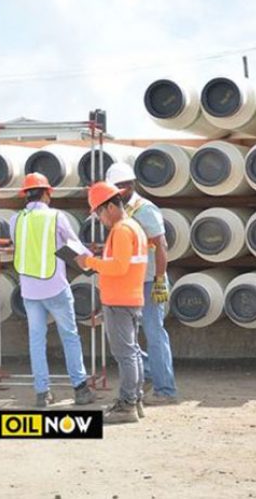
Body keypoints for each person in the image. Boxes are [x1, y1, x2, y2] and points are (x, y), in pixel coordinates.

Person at [10, 173, 96, 408]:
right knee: (69, 336)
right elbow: (74, 245)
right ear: (47, 193)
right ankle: (80, 389)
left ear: (25, 195)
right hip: (55, 286)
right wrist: (94, 261)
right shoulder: (56, 217)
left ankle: (42, 393)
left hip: (29, 290)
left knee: (36, 340)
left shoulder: (15, 220)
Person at [105, 163, 178, 405]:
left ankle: (165, 389)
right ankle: (147, 374)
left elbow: (161, 245)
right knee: (129, 338)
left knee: (154, 334)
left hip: (149, 282)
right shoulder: (120, 211)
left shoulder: (145, 210)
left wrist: (159, 279)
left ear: (124, 187)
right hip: (133, 282)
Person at [76, 182, 148, 424]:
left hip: (119, 300)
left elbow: (118, 267)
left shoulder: (121, 230)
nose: (99, 219)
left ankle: (127, 404)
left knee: (125, 354)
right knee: (133, 352)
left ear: (109, 207)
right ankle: (134, 401)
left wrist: (89, 262)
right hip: (130, 297)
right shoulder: (133, 227)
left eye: (98, 212)